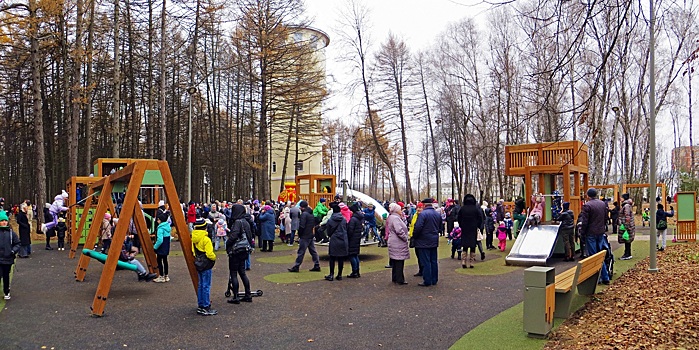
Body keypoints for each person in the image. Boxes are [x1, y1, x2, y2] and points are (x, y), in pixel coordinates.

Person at [579, 188, 610, 284]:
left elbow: (585, 222)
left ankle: (598, 278)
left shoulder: (587, 206)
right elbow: (605, 218)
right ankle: (605, 277)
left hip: (591, 233)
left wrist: (582, 234)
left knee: (593, 256)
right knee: (600, 254)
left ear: (588, 195)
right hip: (600, 232)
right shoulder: (602, 204)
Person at [226, 204, 253, 304]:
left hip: (236, 251)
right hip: (244, 250)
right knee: (242, 272)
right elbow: (250, 235)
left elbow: (233, 236)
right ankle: (248, 294)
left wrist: (227, 244)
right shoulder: (246, 222)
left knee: (233, 273)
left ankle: (236, 296)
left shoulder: (237, 222)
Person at [192, 217, 217, 315]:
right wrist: (214, 258)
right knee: (206, 285)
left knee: (201, 285)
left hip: (198, 263)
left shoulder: (193, 238)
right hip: (206, 264)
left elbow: (194, 252)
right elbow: (210, 254)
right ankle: (206, 306)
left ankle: (200, 305)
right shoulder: (206, 239)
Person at [413, 199, 441, 286]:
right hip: (434, 240)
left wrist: (415, 236)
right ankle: (434, 279)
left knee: (426, 261)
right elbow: (440, 227)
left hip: (423, 241)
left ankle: (427, 280)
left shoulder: (422, 214)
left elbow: (418, 227)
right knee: (433, 261)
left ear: (424, 205)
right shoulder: (437, 214)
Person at [287, 200, 321, 272]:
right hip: (310, 234)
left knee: (301, 252)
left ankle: (296, 266)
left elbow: (302, 226)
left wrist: (300, 234)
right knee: (313, 251)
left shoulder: (304, 215)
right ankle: (317, 264)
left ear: (302, 207)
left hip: (305, 235)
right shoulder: (311, 214)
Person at [386, 203, 409, 285]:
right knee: (399, 261)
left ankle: (395, 277)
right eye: (400, 209)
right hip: (398, 242)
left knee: (395, 261)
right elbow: (399, 230)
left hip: (393, 241)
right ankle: (400, 279)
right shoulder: (396, 218)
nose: (401, 210)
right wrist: (405, 238)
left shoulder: (392, 217)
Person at [325, 202, 348, 281]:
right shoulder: (344, 219)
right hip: (342, 239)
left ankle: (331, 274)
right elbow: (346, 229)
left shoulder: (330, 220)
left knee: (332, 257)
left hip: (334, 239)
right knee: (341, 258)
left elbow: (328, 232)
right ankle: (340, 275)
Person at [0, 211, 20, 300]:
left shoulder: (11, 233)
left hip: (8, 258)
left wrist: (13, 251)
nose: (4, 222)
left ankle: (6, 291)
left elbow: (17, 243)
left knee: (6, 276)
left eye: (5, 220)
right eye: (2, 220)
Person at [346, 203, 364, 278]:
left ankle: (354, 271)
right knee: (355, 255)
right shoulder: (359, 218)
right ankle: (357, 271)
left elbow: (350, 230)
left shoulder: (353, 219)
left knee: (352, 255)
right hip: (357, 238)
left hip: (352, 239)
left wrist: (348, 237)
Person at [153, 213, 171, 282]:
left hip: (161, 247)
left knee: (159, 261)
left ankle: (161, 276)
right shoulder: (168, 227)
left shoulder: (160, 228)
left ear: (160, 220)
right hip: (166, 246)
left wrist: (155, 247)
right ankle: (166, 275)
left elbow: (160, 240)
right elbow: (169, 238)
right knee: (165, 261)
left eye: (158, 220)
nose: (157, 221)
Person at [409, 202, 424, 276]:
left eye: (420, 207)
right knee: (418, 255)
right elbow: (412, 225)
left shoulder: (423, 216)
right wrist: (411, 234)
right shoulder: (415, 215)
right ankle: (421, 270)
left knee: (422, 256)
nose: (418, 209)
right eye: (418, 207)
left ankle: (424, 270)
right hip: (414, 238)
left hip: (421, 238)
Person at [619, 193, 635, 260]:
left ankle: (627, 254)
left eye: (621, 197)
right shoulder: (627, 205)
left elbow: (627, 216)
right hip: (628, 225)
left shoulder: (626, 206)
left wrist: (626, 225)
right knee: (627, 240)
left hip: (626, 226)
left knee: (627, 240)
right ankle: (627, 253)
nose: (620, 198)